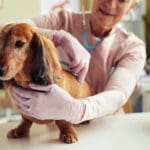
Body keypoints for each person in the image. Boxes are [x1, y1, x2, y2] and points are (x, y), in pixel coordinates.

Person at [12, 0, 146, 124]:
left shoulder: (132, 47)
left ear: (133, 5)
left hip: (106, 126)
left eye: (122, 0)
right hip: (59, 129)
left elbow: (118, 94)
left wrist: (73, 110)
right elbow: (6, 29)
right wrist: (59, 37)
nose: (110, 4)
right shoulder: (62, 20)